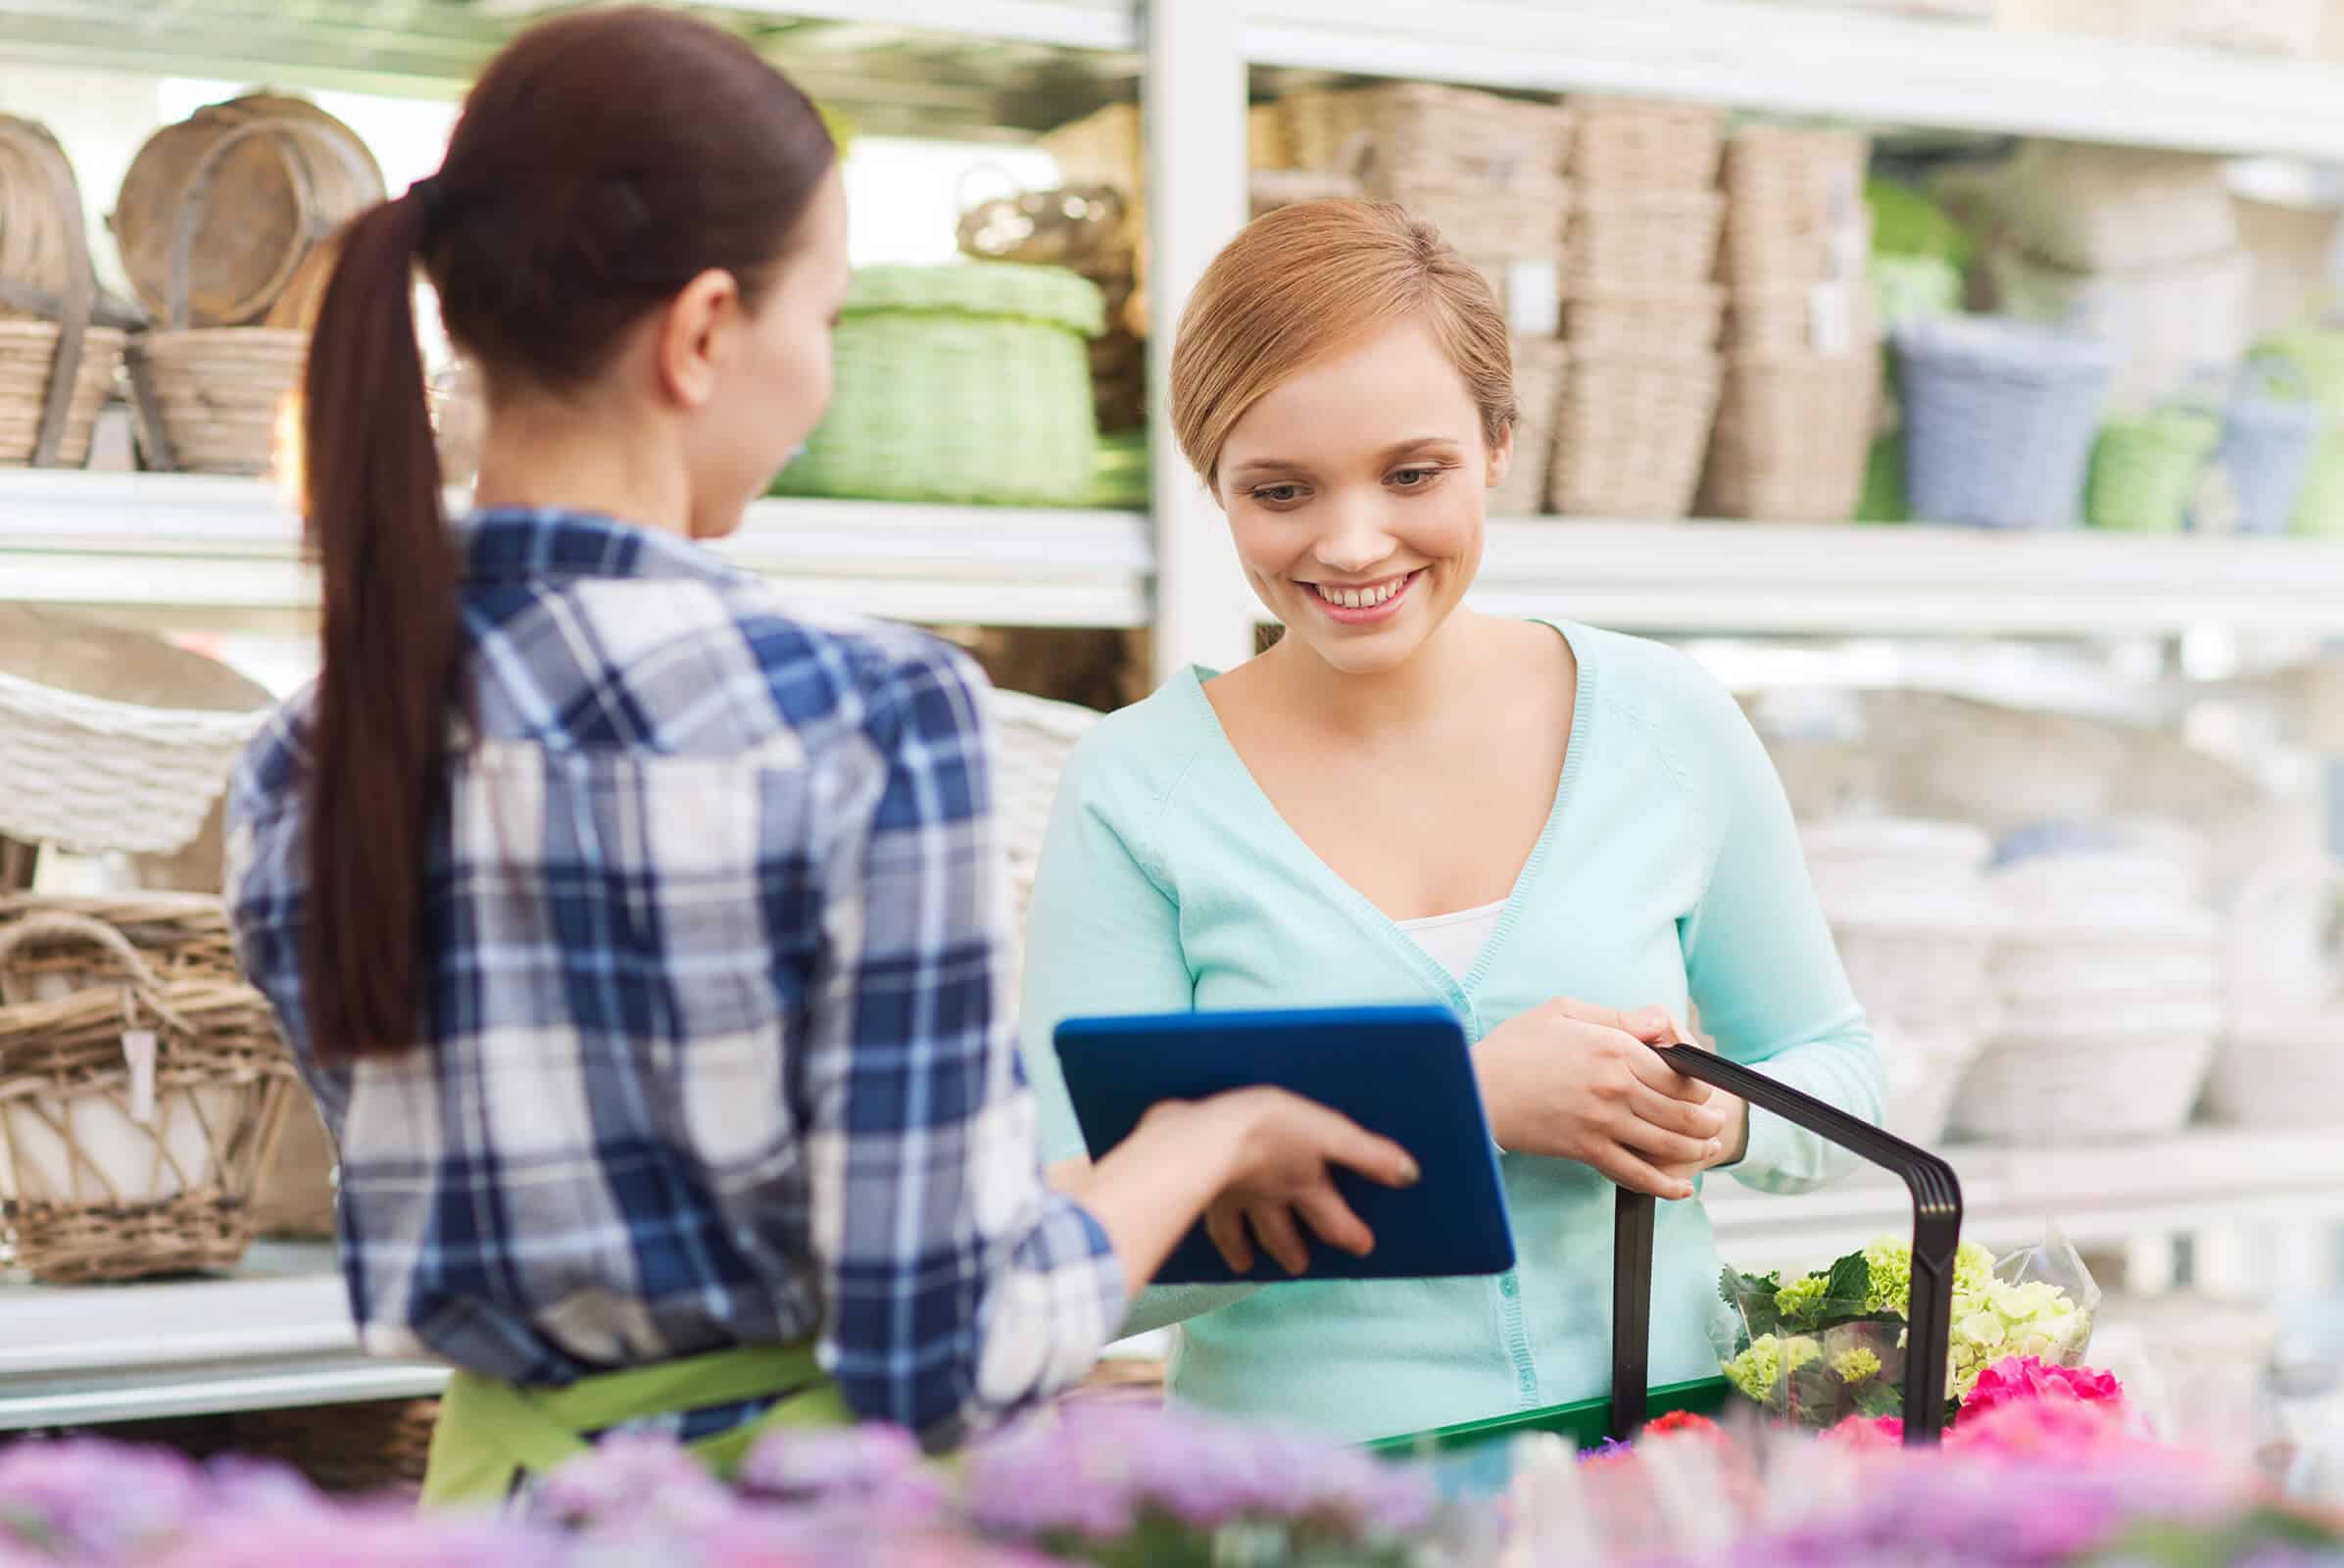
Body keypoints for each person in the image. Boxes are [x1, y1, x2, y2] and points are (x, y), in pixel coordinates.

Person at [222, 9, 1416, 1508]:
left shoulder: (302, 756)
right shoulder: (863, 713)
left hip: (494, 1513)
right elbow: (944, 1343)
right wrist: (1208, 1138)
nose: (822, 381)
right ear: (706, 330)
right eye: (827, 319)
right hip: (791, 1513)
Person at [1020, 199, 1886, 1444]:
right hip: (1310, 1509)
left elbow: (1841, 1070)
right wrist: (1462, 1105)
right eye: (1281, 490)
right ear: (1213, 482)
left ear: (1497, 442)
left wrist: (1717, 1111)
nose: (1352, 542)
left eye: (1411, 473)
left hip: (1652, 1474)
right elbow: (1076, 1255)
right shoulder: (1138, 787)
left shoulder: (1662, 722)